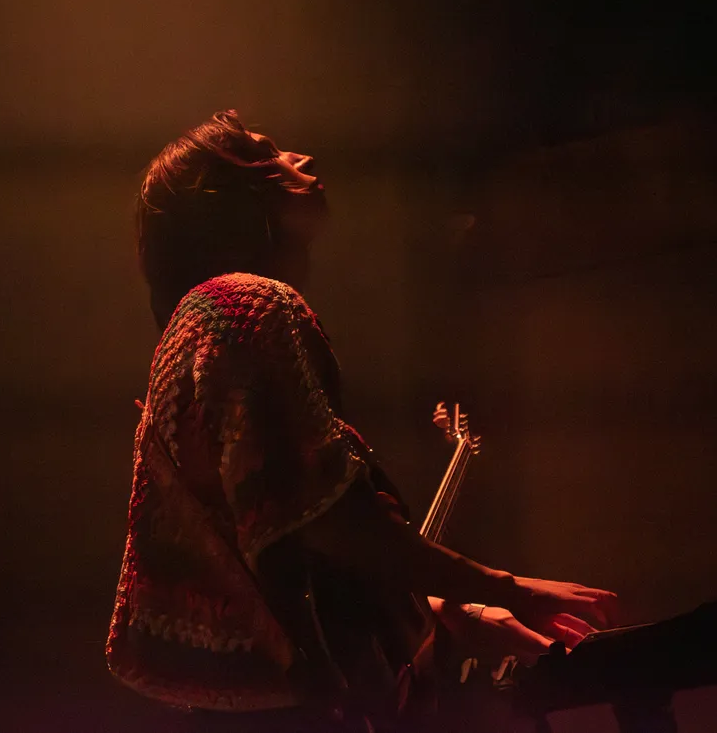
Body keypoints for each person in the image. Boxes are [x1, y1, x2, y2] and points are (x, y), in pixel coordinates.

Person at [106, 110, 617, 731]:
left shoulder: (190, 332)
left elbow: (285, 554)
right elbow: (334, 522)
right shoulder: (247, 305)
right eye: (268, 152)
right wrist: (514, 589)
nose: (303, 158)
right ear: (231, 198)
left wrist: (453, 613)